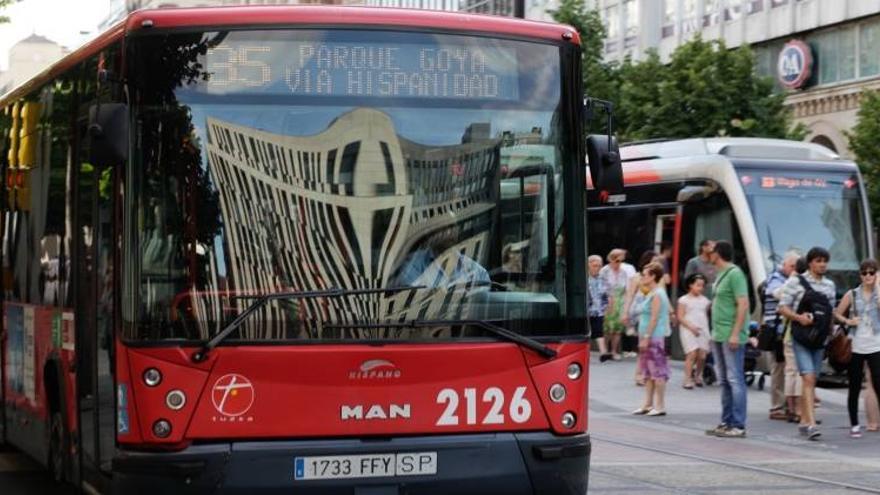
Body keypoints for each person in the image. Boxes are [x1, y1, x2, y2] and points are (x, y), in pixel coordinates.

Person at [777, 247, 840, 441]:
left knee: (811, 380)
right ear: (811, 262)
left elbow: (831, 311)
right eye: (819, 260)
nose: (822, 264)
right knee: (809, 378)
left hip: (820, 339)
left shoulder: (829, 285)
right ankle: (812, 424)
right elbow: (782, 308)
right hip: (801, 337)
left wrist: (832, 333)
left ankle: (804, 420)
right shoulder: (795, 282)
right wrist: (799, 317)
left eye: (825, 261)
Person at [705, 240, 750, 438]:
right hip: (718, 334)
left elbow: (743, 304)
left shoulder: (735, 274)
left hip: (730, 335)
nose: (708, 254)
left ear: (718, 254)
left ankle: (738, 425)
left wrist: (735, 333)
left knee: (734, 379)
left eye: (711, 251)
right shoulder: (720, 274)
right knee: (724, 380)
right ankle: (726, 421)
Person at [833, 258, 880, 439]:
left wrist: (877, 288)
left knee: (878, 383)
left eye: (872, 272)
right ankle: (854, 424)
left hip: (876, 345)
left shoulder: (878, 292)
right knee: (853, 386)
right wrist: (848, 321)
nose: (868, 276)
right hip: (856, 345)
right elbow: (836, 313)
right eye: (865, 273)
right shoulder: (852, 294)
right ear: (860, 275)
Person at [762, 253, 800, 421]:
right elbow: (776, 293)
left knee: (788, 369)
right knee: (778, 369)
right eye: (792, 267)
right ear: (785, 265)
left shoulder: (790, 279)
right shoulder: (775, 278)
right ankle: (777, 407)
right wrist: (793, 280)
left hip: (786, 331)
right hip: (775, 331)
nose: (794, 270)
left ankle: (787, 405)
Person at [632, 262, 671, 416]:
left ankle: (660, 406)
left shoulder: (657, 294)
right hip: (649, 337)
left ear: (653, 276)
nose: (642, 277)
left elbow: (654, 319)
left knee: (658, 372)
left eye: (645, 274)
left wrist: (646, 338)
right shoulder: (652, 292)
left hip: (654, 338)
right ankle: (647, 404)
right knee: (648, 372)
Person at [600, 249, 636, 360]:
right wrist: (608, 299)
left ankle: (614, 351)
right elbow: (601, 286)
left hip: (620, 299)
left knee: (618, 328)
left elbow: (627, 287)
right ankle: (605, 349)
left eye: (620, 261)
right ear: (611, 259)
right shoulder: (604, 271)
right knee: (607, 328)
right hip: (608, 299)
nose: (618, 263)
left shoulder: (624, 271)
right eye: (616, 260)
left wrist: (626, 302)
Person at [677, 273, 711, 389]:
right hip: (688, 328)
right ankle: (687, 379)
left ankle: (698, 375)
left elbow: (705, 316)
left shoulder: (706, 301)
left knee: (702, 355)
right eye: (697, 285)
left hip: (702, 329)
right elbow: (680, 317)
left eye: (702, 286)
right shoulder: (683, 300)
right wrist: (691, 327)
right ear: (690, 285)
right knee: (692, 353)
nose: (700, 288)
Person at [588, 255, 611, 361]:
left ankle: (603, 352)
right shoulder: (583, 278)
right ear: (588, 265)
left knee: (599, 331)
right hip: (585, 311)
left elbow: (606, 295)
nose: (597, 268)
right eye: (594, 265)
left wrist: (607, 307)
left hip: (597, 311)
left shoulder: (602, 279)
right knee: (585, 333)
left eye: (599, 266)